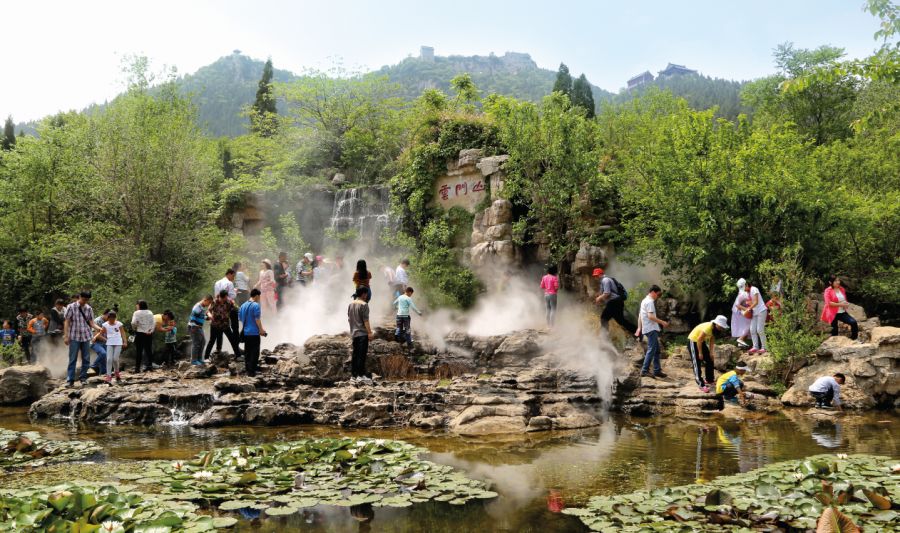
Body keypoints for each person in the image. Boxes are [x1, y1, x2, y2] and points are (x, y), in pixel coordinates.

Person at [63, 291, 102, 387]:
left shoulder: (89, 308)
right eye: (84, 299)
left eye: (87, 300)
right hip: (74, 336)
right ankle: (70, 380)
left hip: (86, 336)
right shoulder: (71, 307)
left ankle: (83, 378)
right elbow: (67, 322)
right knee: (73, 359)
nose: (85, 301)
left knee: (86, 358)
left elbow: (92, 323)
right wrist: (66, 336)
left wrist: (99, 328)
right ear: (79, 297)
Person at [687, 315, 730, 393]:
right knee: (697, 363)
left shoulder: (715, 329)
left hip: (701, 342)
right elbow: (699, 339)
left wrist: (711, 353)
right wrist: (700, 353)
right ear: (716, 323)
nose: (721, 328)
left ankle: (709, 380)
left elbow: (711, 341)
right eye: (721, 326)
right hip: (693, 341)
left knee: (710, 360)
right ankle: (701, 384)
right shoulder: (708, 327)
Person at [635, 285, 669, 378]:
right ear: (653, 292)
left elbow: (640, 316)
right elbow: (650, 317)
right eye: (658, 294)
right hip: (651, 328)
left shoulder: (644, 301)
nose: (658, 296)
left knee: (657, 350)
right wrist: (662, 322)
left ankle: (657, 370)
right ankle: (644, 370)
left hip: (648, 328)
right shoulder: (650, 302)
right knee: (651, 350)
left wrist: (639, 328)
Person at [592, 268, 636, 334]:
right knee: (621, 321)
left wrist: (599, 298)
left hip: (614, 302)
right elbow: (603, 293)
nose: (595, 277)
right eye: (594, 276)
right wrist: (599, 296)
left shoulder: (605, 280)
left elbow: (607, 293)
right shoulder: (604, 281)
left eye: (596, 275)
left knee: (604, 318)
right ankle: (638, 333)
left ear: (601, 274)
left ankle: (604, 338)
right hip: (617, 302)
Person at [204, 290, 242, 359]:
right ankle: (206, 358)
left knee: (232, 340)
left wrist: (235, 305)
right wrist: (210, 315)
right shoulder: (214, 302)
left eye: (226, 297)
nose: (226, 298)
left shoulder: (229, 302)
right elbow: (208, 311)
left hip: (225, 325)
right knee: (211, 341)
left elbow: (236, 309)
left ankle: (238, 355)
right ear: (222, 297)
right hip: (215, 325)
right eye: (225, 297)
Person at [238, 288, 266, 377]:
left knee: (247, 352)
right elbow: (257, 319)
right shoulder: (256, 305)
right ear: (257, 296)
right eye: (259, 296)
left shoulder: (243, 306)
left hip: (246, 333)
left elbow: (241, 319)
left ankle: (247, 370)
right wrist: (261, 330)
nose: (259, 298)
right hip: (254, 333)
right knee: (255, 352)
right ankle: (252, 372)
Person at [821, 275, 858, 340]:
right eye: (835, 281)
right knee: (834, 331)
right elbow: (828, 303)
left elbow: (844, 299)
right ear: (830, 282)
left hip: (842, 312)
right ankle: (834, 346)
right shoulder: (827, 290)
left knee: (853, 322)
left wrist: (846, 303)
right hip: (833, 313)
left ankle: (853, 339)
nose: (838, 282)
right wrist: (841, 304)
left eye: (838, 280)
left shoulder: (842, 289)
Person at [348, 287, 373, 381]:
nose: (367, 296)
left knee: (355, 354)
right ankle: (361, 375)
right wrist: (370, 333)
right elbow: (366, 320)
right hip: (362, 333)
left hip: (354, 333)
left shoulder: (351, 304)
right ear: (363, 294)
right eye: (366, 294)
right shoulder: (364, 304)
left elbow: (349, 319)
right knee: (361, 355)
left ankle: (353, 376)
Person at [95, 311, 126, 383]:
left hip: (118, 343)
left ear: (115, 318)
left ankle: (117, 373)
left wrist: (125, 341)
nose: (112, 320)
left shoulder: (119, 324)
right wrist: (95, 337)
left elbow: (123, 333)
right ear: (108, 318)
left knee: (115, 359)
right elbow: (101, 332)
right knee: (109, 359)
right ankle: (108, 376)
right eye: (110, 319)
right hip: (109, 343)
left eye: (113, 319)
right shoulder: (105, 324)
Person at [214, 268, 240, 341]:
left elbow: (216, 295)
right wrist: (235, 292)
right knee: (235, 326)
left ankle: (218, 349)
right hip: (229, 306)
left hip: (219, 308)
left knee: (220, 327)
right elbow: (232, 296)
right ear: (229, 274)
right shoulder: (229, 283)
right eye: (233, 276)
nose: (233, 278)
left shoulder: (217, 283)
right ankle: (236, 344)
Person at [188, 295, 214, 365]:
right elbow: (194, 314)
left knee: (203, 342)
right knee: (196, 343)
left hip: (199, 327)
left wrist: (208, 318)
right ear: (205, 300)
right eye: (209, 302)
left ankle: (199, 359)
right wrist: (194, 327)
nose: (209, 305)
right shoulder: (198, 306)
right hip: (194, 327)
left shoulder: (202, 307)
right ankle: (194, 360)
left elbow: (202, 316)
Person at [131, 300, 155, 373]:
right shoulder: (150, 312)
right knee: (148, 350)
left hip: (140, 333)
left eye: (137, 305)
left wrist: (134, 328)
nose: (136, 306)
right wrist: (151, 330)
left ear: (139, 305)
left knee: (139, 351)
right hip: (148, 333)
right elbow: (153, 323)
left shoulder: (136, 313)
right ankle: (150, 366)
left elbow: (133, 323)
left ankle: (137, 368)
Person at [746, 281, 768, 354]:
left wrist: (749, 308)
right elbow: (751, 303)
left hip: (761, 310)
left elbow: (756, 302)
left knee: (760, 330)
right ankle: (755, 347)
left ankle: (764, 348)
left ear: (746, 285)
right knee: (752, 330)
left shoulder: (754, 289)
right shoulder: (747, 293)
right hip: (755, 313)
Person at [730, 279, 752, 349]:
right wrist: (748, 309)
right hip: (740, 311)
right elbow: (737, 305)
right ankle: (740, 339)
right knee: (749, 325)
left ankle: (741, 344)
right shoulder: (743, 293)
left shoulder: (742, 292)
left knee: (745, 327)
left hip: (738, 312)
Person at [89, 309, 110, 377]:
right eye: (109, 316)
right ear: (105, 314)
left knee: (105, 358)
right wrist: (107, 340)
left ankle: (103, 373)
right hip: (95, 342)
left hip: (104, 342)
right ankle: (92, 366)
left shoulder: (108, 321)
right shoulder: (97, 321)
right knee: (103, 353)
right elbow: (95, 335)